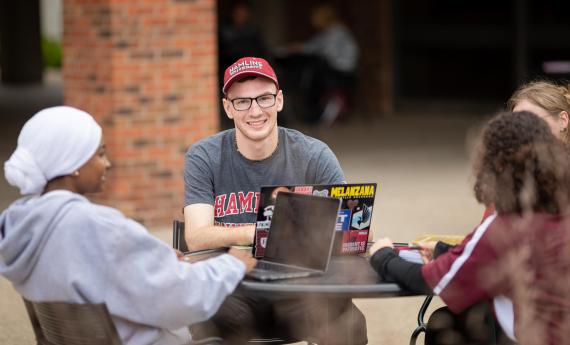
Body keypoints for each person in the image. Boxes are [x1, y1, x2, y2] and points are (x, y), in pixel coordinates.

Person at [0, 106, 257, 345]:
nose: (107, 163)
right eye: (100, 153)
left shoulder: (24, 224)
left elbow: (106, 273)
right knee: (235, 321)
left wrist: (158, 261)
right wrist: (231, 264)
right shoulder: (97, 226)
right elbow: (180, 298)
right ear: (73, 164)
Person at [183, 57, 367, 344]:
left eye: (265, 99)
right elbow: (195, 237)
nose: (255, 111)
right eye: (242, 102)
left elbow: (348, 231)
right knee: (208, 315)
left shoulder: (314, 155)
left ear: (279, 100)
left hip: (301, 290)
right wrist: (262, 232)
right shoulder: (204, 156)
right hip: (235, 290)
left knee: (349, 321)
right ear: (227, 107)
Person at [369, 111, 570, 345]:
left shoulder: (504, 229)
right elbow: (489, 262)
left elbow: (427, 280)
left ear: (493, 166)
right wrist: (443, 250)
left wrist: (382, 255)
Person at [285, 4, 359, 125]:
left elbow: (328, 53)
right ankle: (314, 112)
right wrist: (301, 48)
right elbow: (314, 45)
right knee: (311, 73)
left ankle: (319, 113)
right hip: (334, 68)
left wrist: (306, 49)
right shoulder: (327, 31)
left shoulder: (337, 31)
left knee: (313, 75)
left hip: (343, 71)